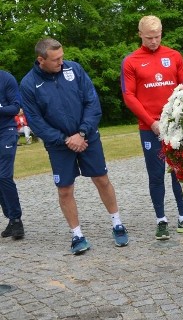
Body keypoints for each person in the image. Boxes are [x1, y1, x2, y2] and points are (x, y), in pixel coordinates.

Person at [20, 38, 128, 254]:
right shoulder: (29, 84)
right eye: (56, 59)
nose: (62, 62)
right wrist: (65, 139)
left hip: (87, 136)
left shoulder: (74, 69)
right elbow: (35, 121)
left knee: (101, 179)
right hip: (59, 145)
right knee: (65, 189)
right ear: (41, 60)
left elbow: (92, 102)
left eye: (62, 56)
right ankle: (77, 235)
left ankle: (117, 223)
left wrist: (81, 133)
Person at [121, 15, 183, 240]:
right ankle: (161, 220)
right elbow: (129, 96)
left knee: (180, 172)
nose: (154, 41)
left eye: (157, 37)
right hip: (150, 126)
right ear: (140, 35)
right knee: (156, 175)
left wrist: (181, 118)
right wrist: (151, 122)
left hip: (175, 124)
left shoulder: (174, 56)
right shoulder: (131, 61)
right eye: (149, 37)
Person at [0, 71, 24, 240]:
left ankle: (16, 220)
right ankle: (10, 218)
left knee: (4, 175)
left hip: (6, 131)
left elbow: (16, 107)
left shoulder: (6, 78)